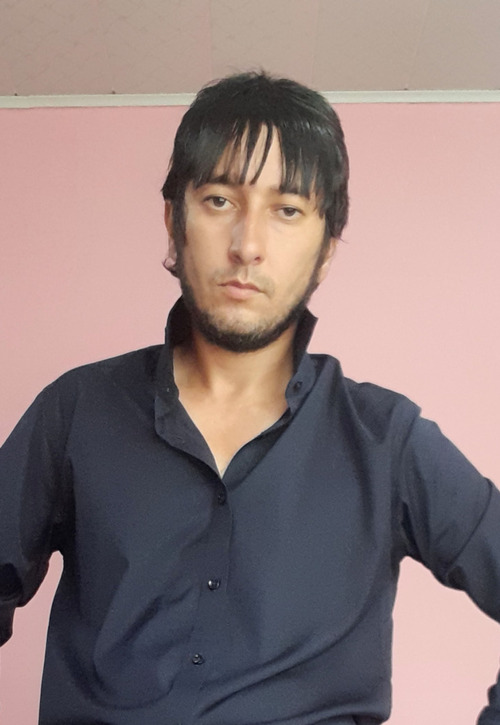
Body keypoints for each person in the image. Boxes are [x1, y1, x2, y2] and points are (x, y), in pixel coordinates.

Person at [0, 71, 499, 725]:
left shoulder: (387, 441)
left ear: (325, 250)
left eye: (287, 209)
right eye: (218, 200)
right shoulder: (76, 411)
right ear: (174, 221)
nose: (247, 246)